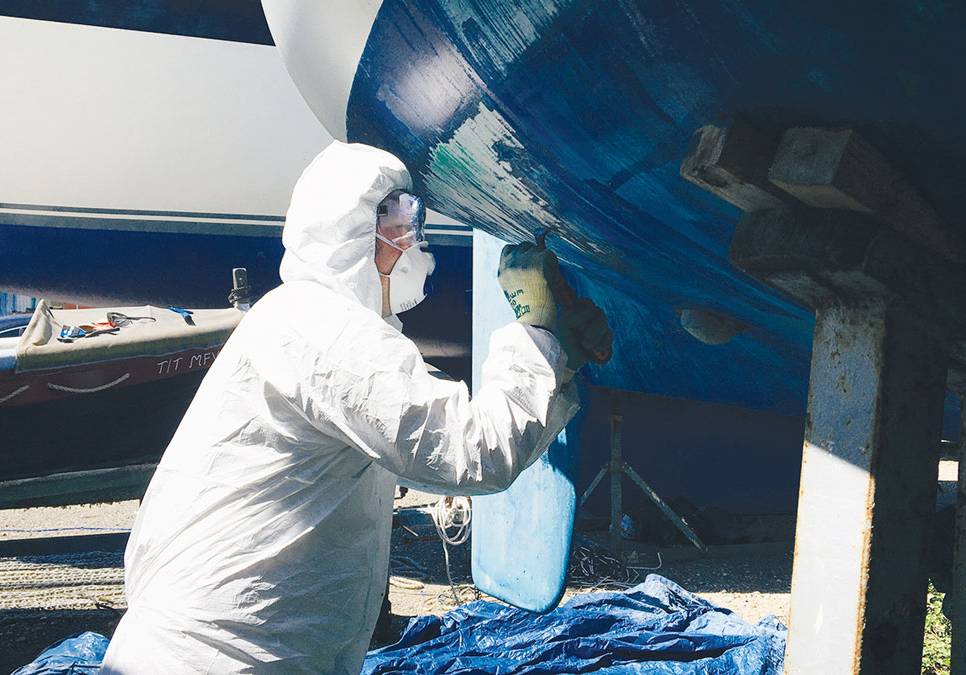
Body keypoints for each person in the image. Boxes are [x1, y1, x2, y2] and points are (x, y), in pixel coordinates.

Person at [99, 141, 611, 674]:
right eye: (400, 222)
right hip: (218, 658)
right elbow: (471, 452)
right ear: (350, 234)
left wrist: (556, 362)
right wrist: (536, 334)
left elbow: (437, 424)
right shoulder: (324, 330)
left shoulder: (307, 325)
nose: (414, 243)